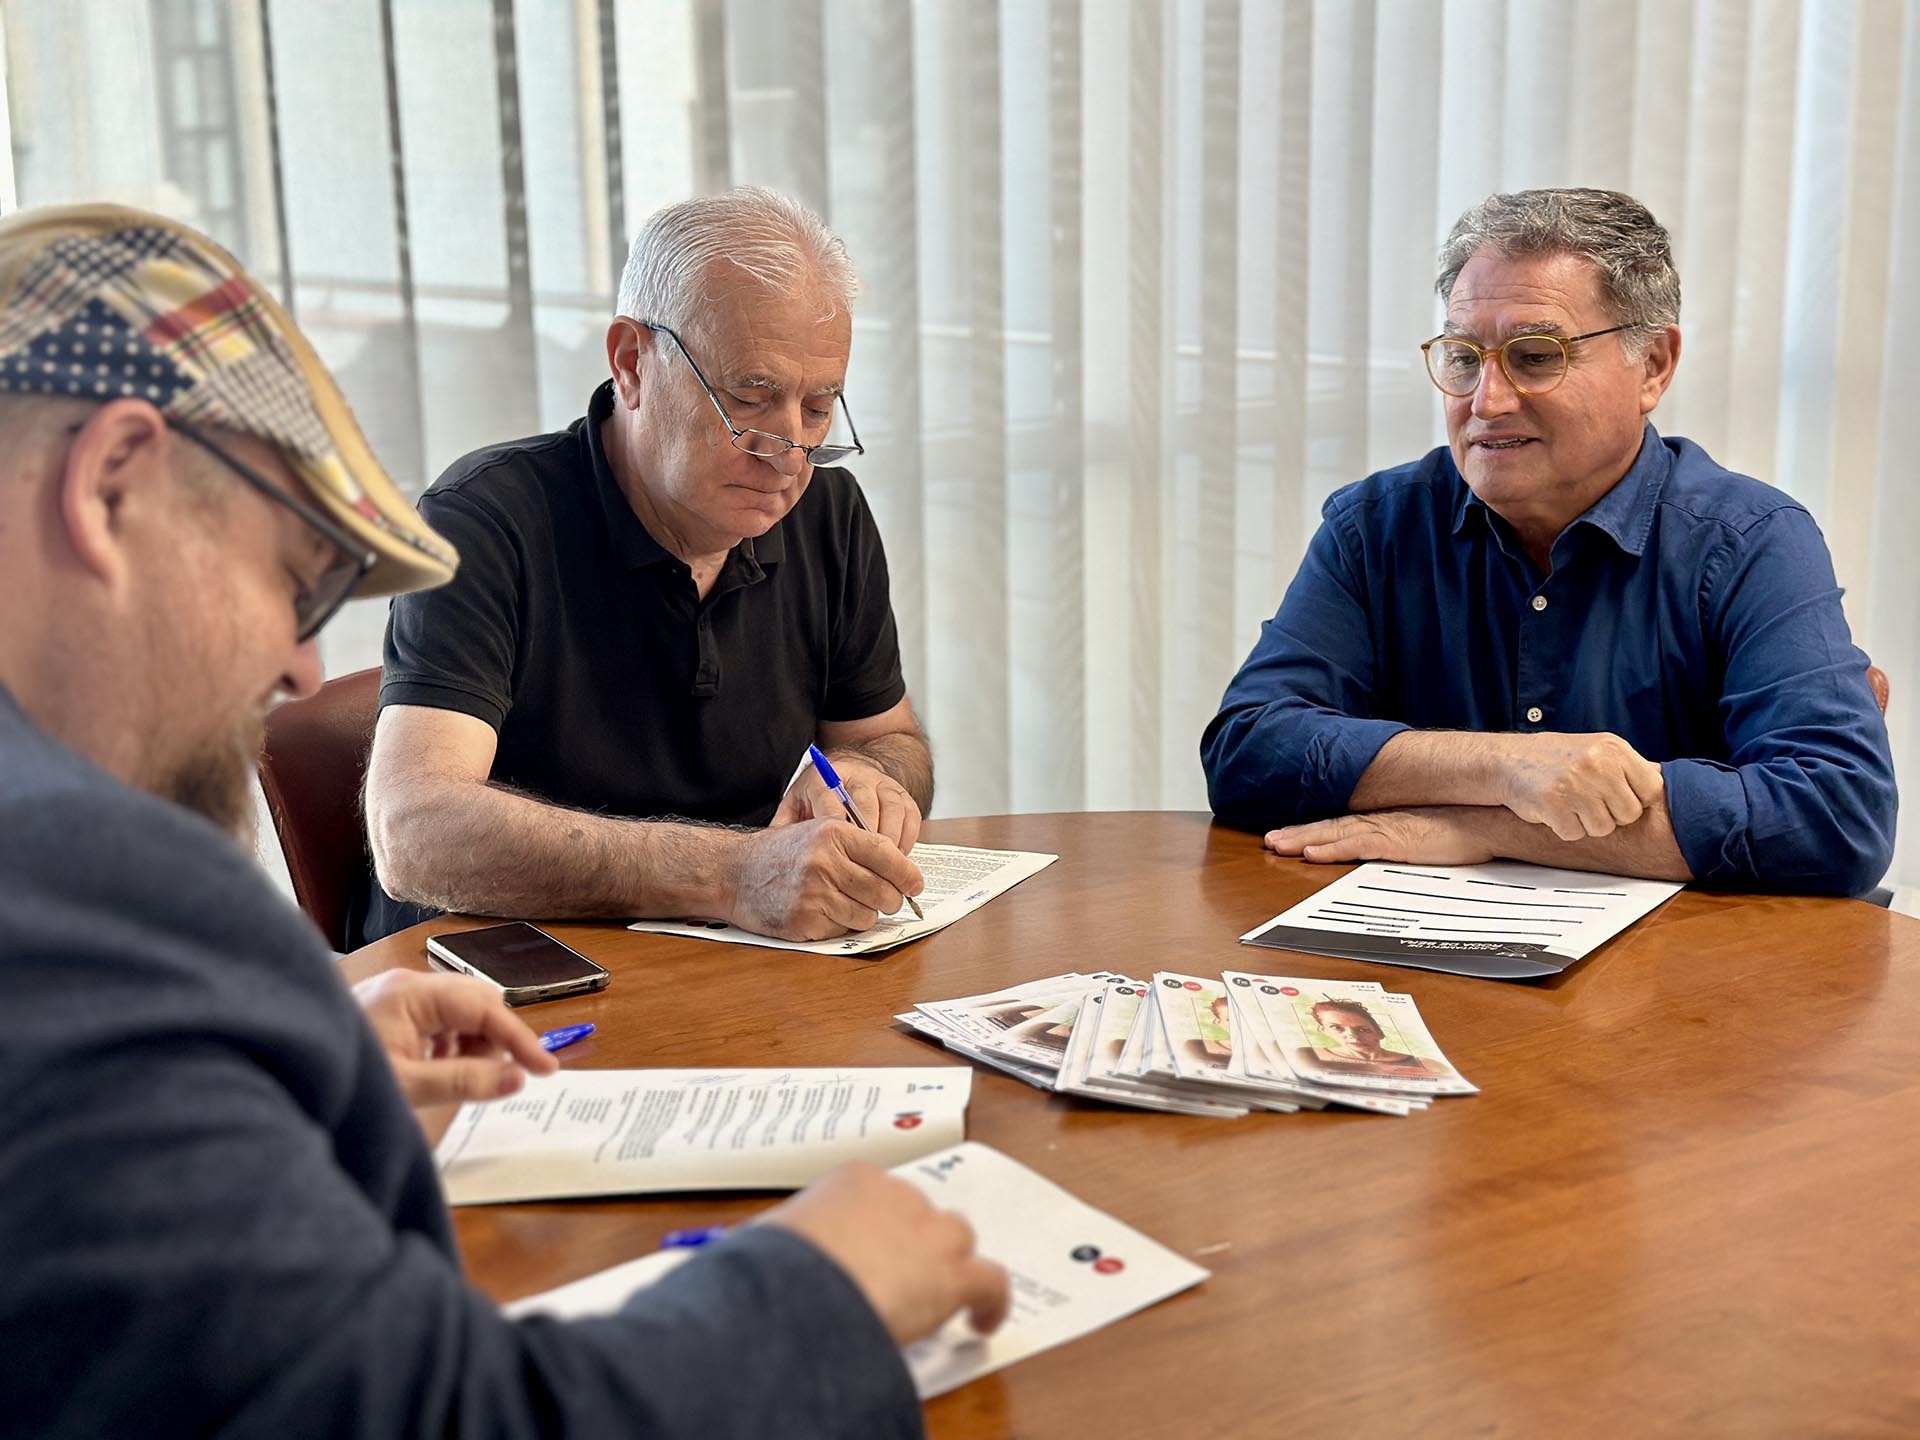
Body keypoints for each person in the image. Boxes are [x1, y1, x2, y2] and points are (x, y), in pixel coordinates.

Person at [0, 202, 1006, 1438]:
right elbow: (435, 1415)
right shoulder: (86, 891)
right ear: (108, 487)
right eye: (289, 577)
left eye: (818, 409)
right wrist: (820, 1296)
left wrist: (315, 1075)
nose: (306, 674)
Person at [1202, 188, 1896, 896]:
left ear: (1653, 364)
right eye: (1465, 357)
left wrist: (1486, 828)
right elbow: (1249, 751)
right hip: (1426, 967)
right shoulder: (1376, 525)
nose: (1487, 401)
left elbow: (1836, 820)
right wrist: (1505, 770)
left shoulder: (1750, 540)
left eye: (1536, 357)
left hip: (1684, 984)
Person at [354, 187, 929, 947]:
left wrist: (872, 779)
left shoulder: (829, 512)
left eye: (819, 408)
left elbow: (892, 739)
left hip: (736, 975)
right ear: (631, 361)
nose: (788, 450)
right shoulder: (484, 520)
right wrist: (732, 876)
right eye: (749, 399)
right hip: (501, 993)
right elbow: (413, 831)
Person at [1299, 1001, 1430, 1075]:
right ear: (1323, 1030)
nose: (1353, 1036)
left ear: (1379, 1033)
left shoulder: (1425, 1064)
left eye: (1363, 1030)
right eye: (1336, 1027)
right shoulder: (1306, 1055)